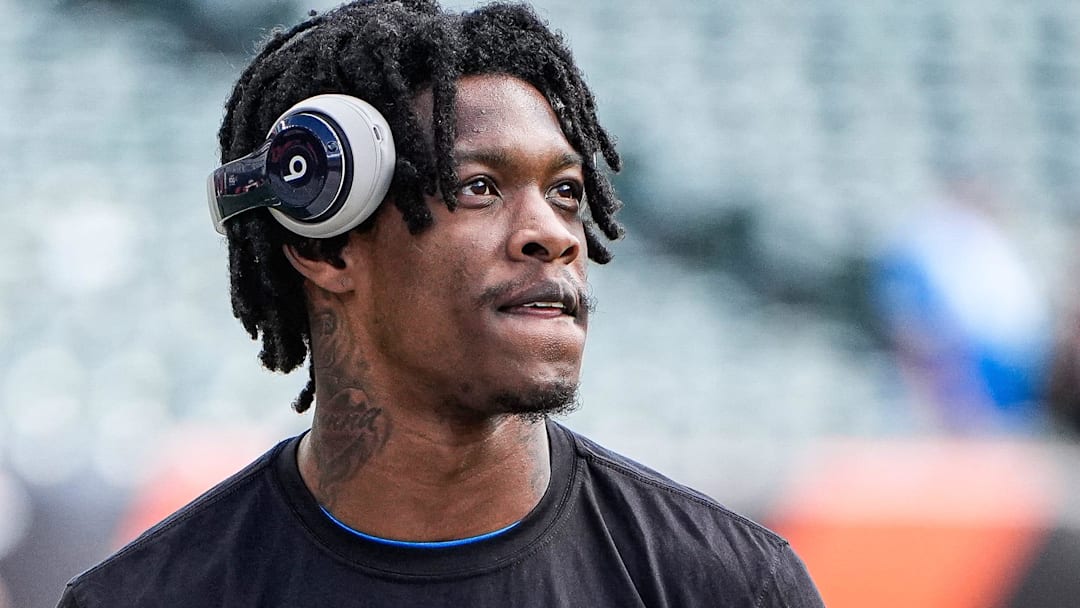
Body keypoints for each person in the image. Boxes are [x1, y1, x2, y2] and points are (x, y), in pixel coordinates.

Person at [57, 1, 823, 606]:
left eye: (566, 193)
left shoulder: (727, 586)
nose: (553, 235)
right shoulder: (150, 597)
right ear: (326, 247)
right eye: (478, 188)